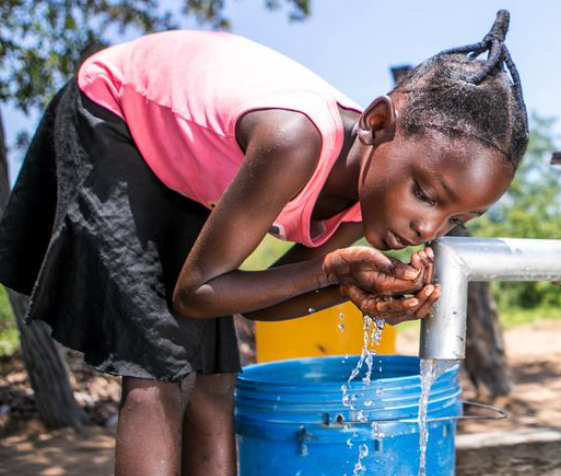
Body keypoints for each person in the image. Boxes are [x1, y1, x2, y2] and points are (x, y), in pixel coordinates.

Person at [0, 8, 528, 476]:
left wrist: (348, 287)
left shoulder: (363, 202)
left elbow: (260, 307)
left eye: (457, 218)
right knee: (153, 375)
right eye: (425, 194)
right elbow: (198, 293)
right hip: (117, 113)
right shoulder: (293, 141)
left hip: (185, 165)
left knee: (214, 379)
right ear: (376, 123)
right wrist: (329, 272)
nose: (428, 228)